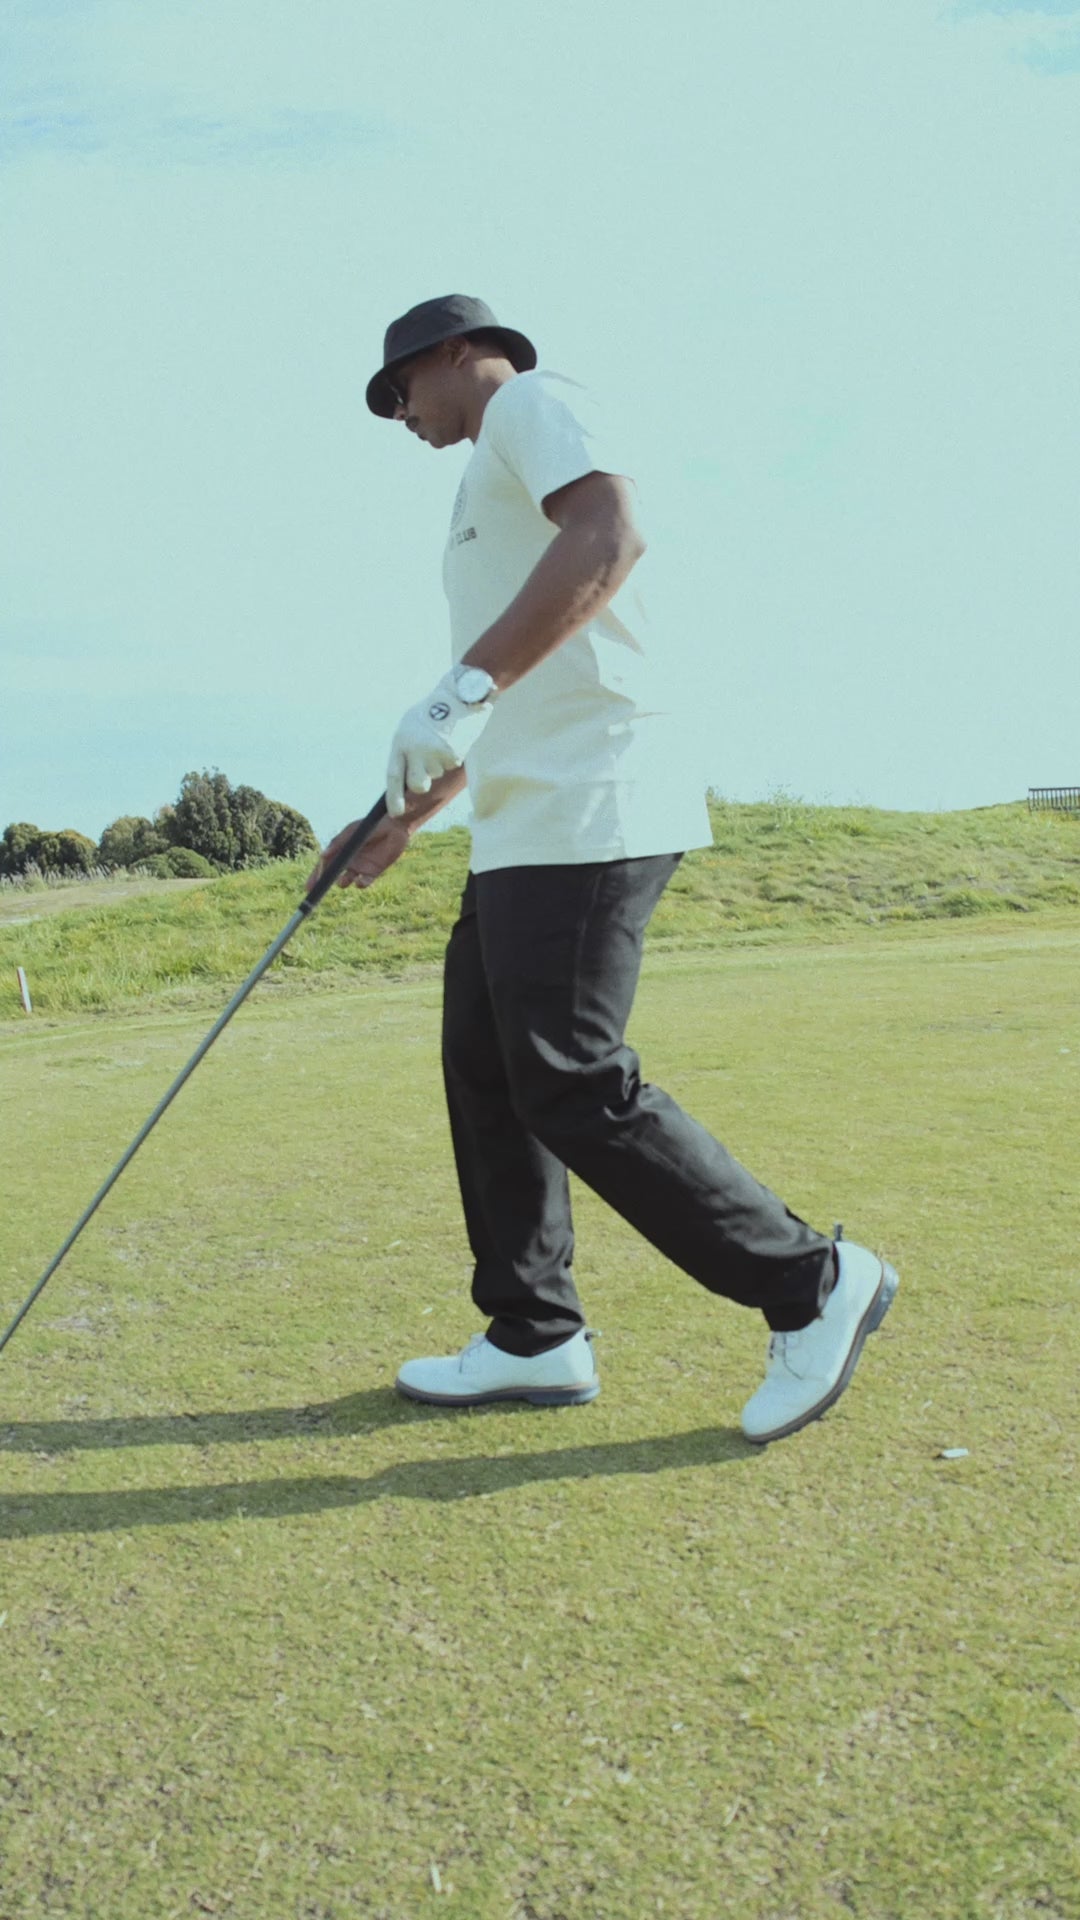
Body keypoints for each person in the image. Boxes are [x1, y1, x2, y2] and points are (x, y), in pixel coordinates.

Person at [308, 294, 897, 1443]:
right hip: (525, 817)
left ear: (452, 355)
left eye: (399, 392)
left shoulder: (533, 400)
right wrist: (402, 812)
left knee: (567, 1076)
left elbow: (612, 535)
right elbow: (513, 692)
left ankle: (811, 1282)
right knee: (484, 1062)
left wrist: (459, 685)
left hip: (597, 801)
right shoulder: (478, 497)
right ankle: (534, 1334)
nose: (399, 416)